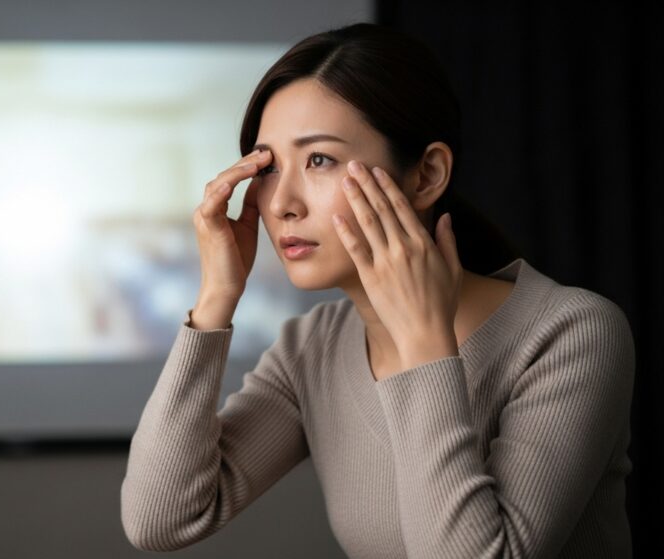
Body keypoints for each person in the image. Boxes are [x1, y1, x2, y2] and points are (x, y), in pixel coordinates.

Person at [120, 22, 635, 558]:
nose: (280, 204)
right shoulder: (312, 347)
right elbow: (161, 518)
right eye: (267, 167)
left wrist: (423, 343)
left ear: (427, 175)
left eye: (319, 159)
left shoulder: (569, 334)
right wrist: (214, 301)